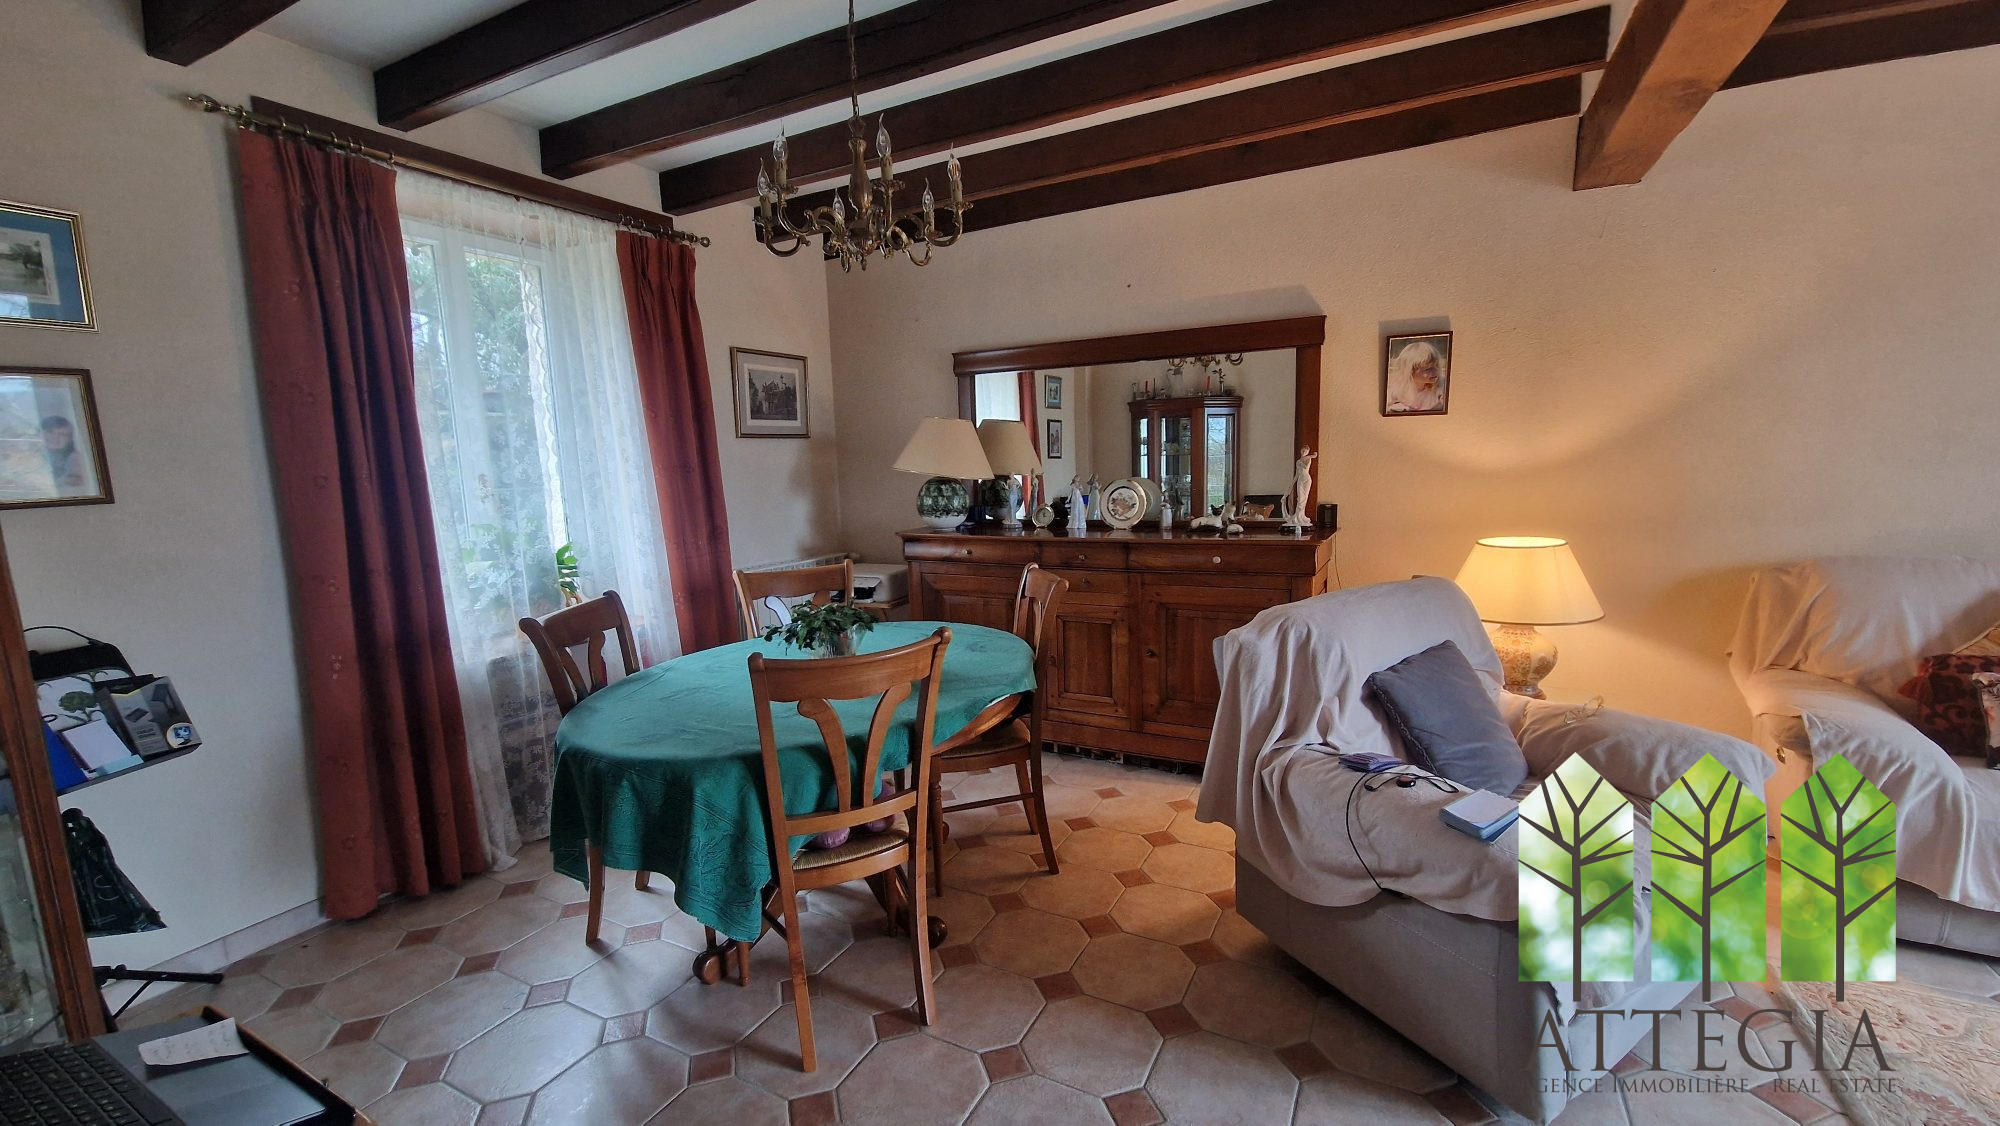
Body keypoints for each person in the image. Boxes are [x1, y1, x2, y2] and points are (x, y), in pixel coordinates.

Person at [1385, 339, 1447, 413]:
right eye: (1428, 369)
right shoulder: (1397, 389)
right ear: (1410, 371)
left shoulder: (1441, 385)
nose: (1435, 370)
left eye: (1437, 366)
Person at [41, 415, 85, 491]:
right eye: (49, 431)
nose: (55, 437)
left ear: (70, 439)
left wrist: (64, 480)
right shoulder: (33, 454)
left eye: (62, 434)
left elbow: (81, 481)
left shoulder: (74, 457)